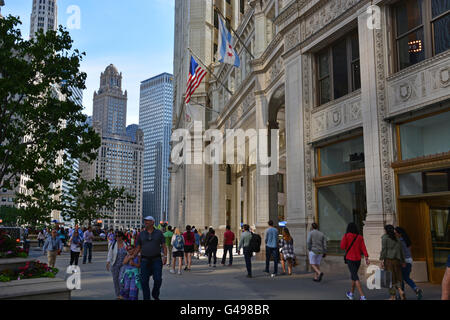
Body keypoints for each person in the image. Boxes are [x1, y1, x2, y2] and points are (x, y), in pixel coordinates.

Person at [136, 216, 167, 301]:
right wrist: (132, 256)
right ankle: (147, 298)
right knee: (144, 281)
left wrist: (165, 256)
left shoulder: (159, 233)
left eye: (148, 221)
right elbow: (138, 247)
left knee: (158, 279)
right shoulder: (141, 234)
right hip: (144, 260)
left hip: (156, 260)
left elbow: (164, 246)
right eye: (145, 221)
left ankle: (155, 293)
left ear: (153, 222)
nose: (145, 222)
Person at [341, 222, 370, 301]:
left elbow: (342, 246)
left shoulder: (346, 236)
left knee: (355, 277)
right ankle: (351, 293)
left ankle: (362, 296)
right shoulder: (359, 237)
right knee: (354, 276)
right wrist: (366, 257)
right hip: (358, 259)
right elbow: (363, 248)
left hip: (350, 259)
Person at [395, 226, 423, 300]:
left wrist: (402, 262)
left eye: (396, 233)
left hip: (404, 261)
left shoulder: (399, 241)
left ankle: (414, 289)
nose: (395, 234)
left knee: (404, 278)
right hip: (409, 260)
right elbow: (409, 250)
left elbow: (402, 253)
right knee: (405, 277)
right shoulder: (407, 240)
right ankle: (403, 294)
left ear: (399, 234)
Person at [380, 224, 406, 300]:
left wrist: (381, 259)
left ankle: (392, 297)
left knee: (390, 279)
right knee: (397, 278)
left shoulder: (385, 238)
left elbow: (384, 250)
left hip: (389, 261)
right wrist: (403, 261)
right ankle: (401, 291)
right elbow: (401, 251)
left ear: (386, 230)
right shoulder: (397, 238)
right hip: (397, 261)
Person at [107, 231, 128, 299]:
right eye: (116, 236)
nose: (117, 237)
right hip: (115, 264)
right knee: (115, 280)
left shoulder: (126, 244)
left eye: (119, 236)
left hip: (123, 265)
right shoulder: (113, 244)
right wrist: (108, 262)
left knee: (121, 279)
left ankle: (122, 293)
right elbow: (110, 254)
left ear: (122, 236)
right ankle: (118, 295)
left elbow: (130, 252)